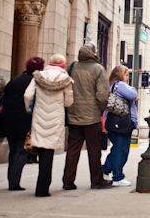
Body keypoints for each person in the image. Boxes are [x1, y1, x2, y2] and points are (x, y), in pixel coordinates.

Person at [62, 42, 111, 190]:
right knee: (94, 150)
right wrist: (101, 110)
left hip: (74, 114)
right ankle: (96, 180)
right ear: (95, 52)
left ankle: (68, 181)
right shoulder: (98, 69)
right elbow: (103, 94)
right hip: (92, 117)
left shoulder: (71, 67)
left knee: (72, 149)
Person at [24, 55, 73, 197]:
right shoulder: (65, 79)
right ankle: (43, 187)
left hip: (39, 116)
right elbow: (69, 101)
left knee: (40, 149)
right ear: (63, 65)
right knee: (48, 154)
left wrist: (29, 109)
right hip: (55, 118)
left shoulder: (39, 76)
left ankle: (41, 187)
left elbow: (27, 95)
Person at [2, 56, 45, 191]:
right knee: (21, 152)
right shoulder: (34, 82)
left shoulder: (15, 80)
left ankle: (11, 180)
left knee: (13, 151)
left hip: (8, 120)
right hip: (23, 120)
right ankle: (14, 182)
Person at [102, 65, 138, 187]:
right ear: (121, 75)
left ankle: (105, 169)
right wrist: (133, 90)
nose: (127, 77)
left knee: (117, 149)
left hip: (113, 123)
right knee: (121, 151)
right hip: (121, 123)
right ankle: (117, 176)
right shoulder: (121, 85)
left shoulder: (112, 86)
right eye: (126, 75)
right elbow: (133, 94)